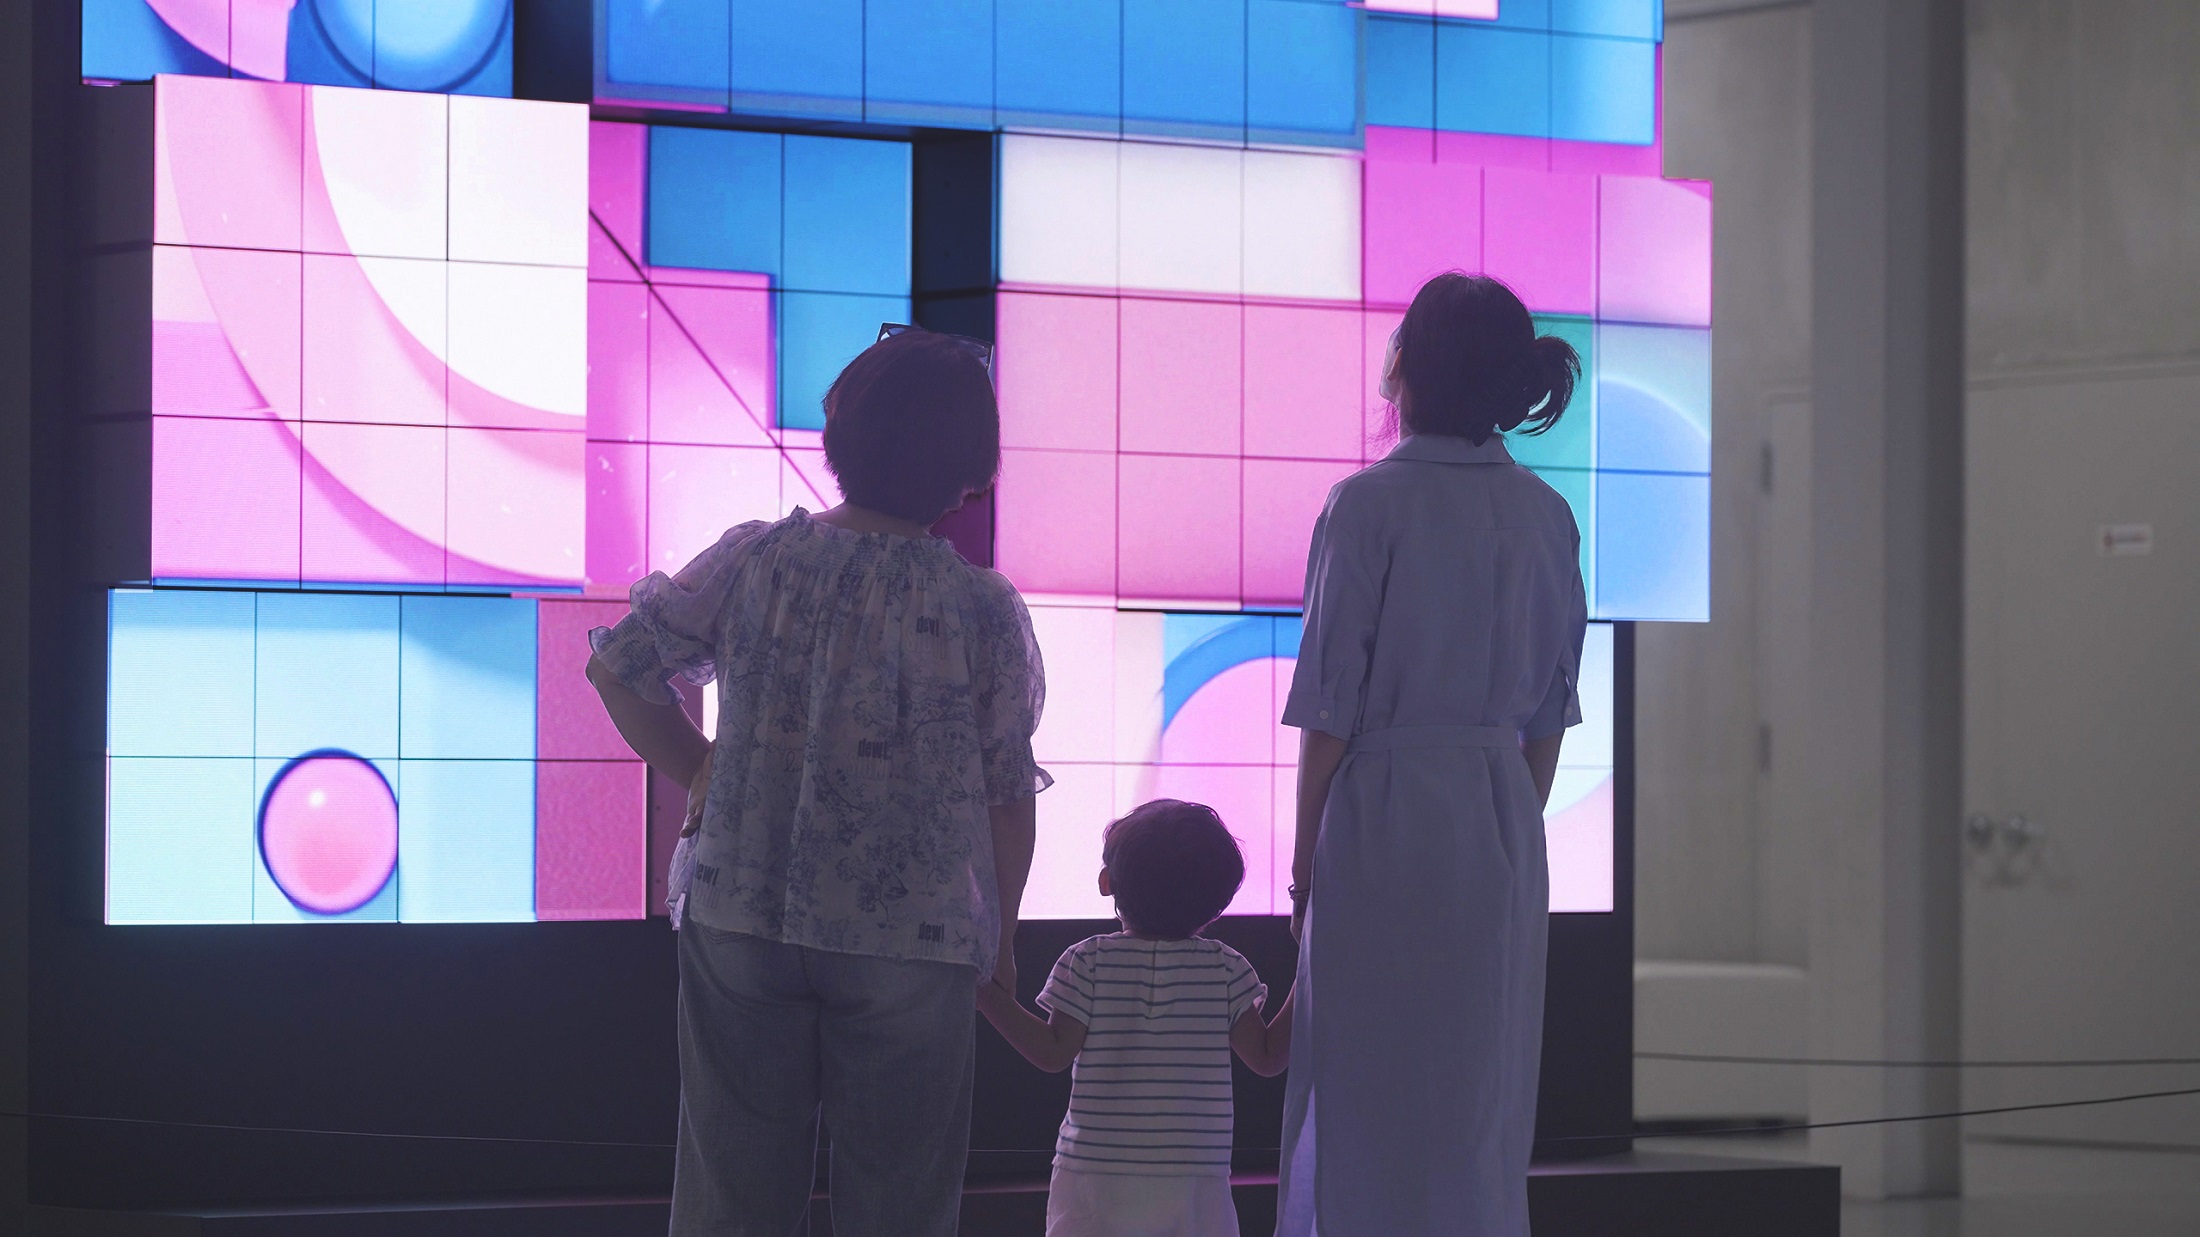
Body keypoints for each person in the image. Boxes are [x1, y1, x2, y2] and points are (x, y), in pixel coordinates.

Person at [586, 327, 1050, 1237]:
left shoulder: (757, 558)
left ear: (839, 430)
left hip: (738, 906)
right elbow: (1006, 795)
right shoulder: (980, 606)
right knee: (900, 1200)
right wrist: (998, 942)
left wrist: (701, 769)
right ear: (970, 467)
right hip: (910, 931)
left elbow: (618, 669)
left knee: (732, 1195)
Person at [1277, 273, 1588, 1236]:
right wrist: (1508, 820)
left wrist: (1302, 861)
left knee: (1369, 1084)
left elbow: (1329, 708)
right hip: (1499, 817)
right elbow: (1549, 714)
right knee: (1479, 1094)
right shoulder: (1546, 513)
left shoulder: (1365, 504)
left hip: (1382, 814)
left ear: (1405, 363)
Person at [977, 799, 1293, 1237]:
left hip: (1093, 1173)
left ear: (1107, 882)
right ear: (1218, 904)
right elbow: (1267, 1058)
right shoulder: (1226, 969)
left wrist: (979, 990)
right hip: (1194, 1178)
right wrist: (1312, 973)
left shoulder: (1087, 961)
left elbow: (1051, 1054)